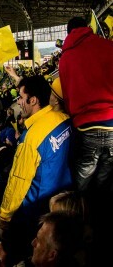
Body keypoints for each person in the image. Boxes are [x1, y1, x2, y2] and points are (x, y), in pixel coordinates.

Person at [0, 76, 73, 263]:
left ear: (33, 100)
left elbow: (18, 182)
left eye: (21, 97)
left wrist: (4, 218)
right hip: (62, 204)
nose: (18, 102)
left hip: (35, 216)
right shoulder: (62, 118)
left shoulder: (31, 138)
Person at [59, 16, 113, 192]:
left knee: (83, 178)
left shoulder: (65, 58)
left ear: (68, 33)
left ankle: (80, 212)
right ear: (88, 27)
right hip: (112, 122)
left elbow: (67, 95)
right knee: (105, 177)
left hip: (85, 127)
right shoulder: (107, 46)